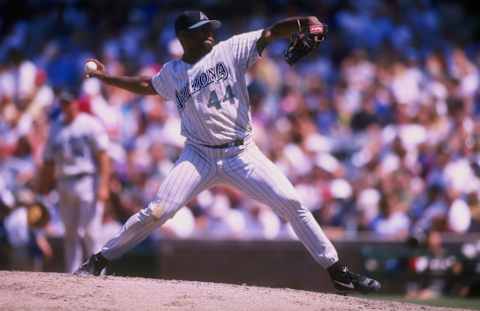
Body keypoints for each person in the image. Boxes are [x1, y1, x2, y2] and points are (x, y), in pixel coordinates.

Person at [76, 10, 380, 294]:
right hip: (198, 156)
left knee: (292, 201)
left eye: (210, 28)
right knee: (158, 211)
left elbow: (272, 32)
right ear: (183, 37)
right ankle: (101, 259)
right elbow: (145, 84)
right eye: (201, 30)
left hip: (241, 153)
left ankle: (337, 271)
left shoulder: (230, 49)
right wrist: (104, 77)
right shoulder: (172, 73)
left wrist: (304, 22)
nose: (209, 33)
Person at [37, 91, 111, 273]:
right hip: (63, 181)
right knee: (70, 231)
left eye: (69, 102)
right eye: (63, 103)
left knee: (90, 231)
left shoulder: (89, 124)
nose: (66, 106)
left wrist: (103, 185)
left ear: (76, 103)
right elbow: (48, 161)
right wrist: (43, 186)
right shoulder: (56, 126)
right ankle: (73, 271)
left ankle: (97, 272)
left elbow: (103, 156)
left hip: (87, 179)